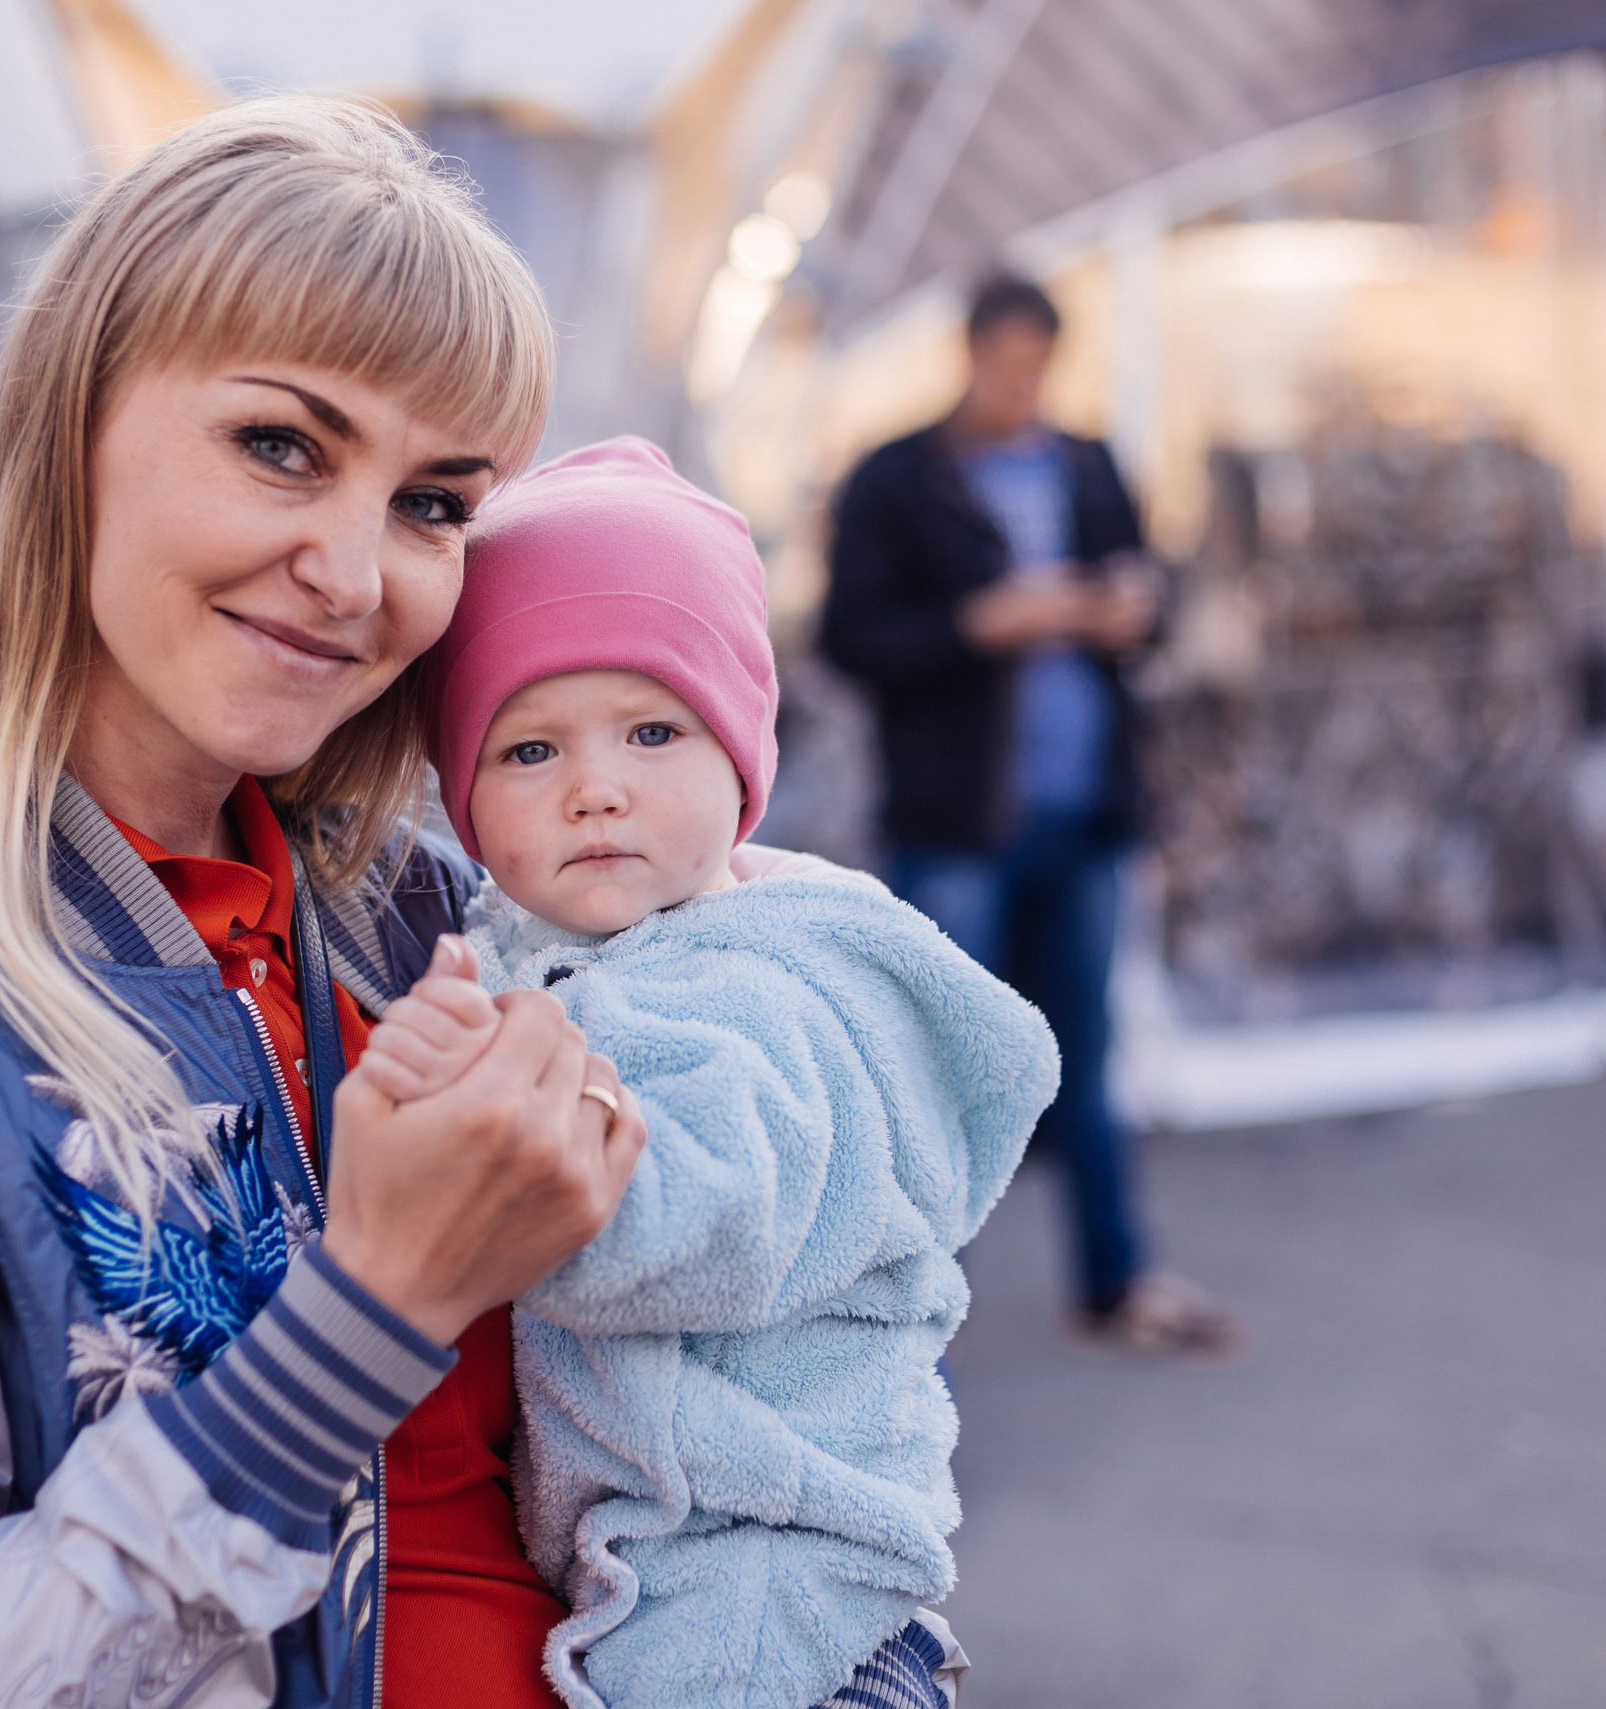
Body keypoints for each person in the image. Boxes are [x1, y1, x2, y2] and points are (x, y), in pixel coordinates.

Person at [0, 99, 649, 1709]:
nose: (358, 572)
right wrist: (372, 1312)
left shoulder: (439, 914)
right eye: (282, 445)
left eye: (434, 502)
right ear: (68, 424)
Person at [359, 439, 1053, 1709]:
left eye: (651, 729)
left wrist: (481, 1119)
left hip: (778, 1607)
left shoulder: (762, 992)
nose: (596, 789)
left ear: (742, 759)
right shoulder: (558, 946)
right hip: (699, 1582)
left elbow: (705, 1213)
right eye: (528, 753)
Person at [820, 275, 1237, 1357]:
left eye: (1034, 366)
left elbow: (1151, 606)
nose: (1018, 385)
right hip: (956, 821)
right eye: (1002, 364)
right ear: (970, 355)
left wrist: (1126, 613)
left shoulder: (1089, 464)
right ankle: (891, 1314)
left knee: (1085, 1059)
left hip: (1083, 809)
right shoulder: (897, 476)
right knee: (932, 1070)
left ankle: (1112, 1278)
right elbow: (851, 638)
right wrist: (983, 623)